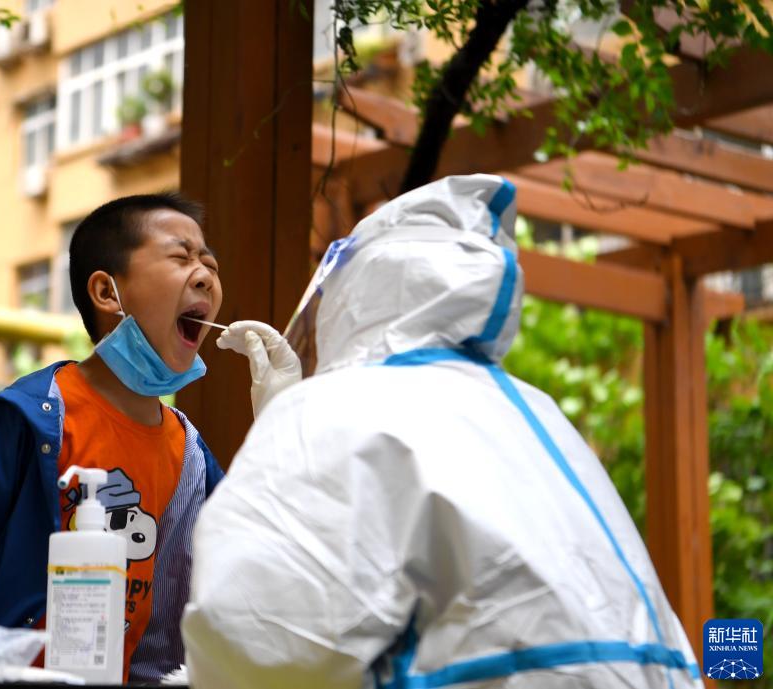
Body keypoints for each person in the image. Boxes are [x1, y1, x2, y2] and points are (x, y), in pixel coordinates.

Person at [182, 175, 702, 688]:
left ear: (354, 292)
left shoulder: (339, 405)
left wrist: (288, 423)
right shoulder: (531, 410)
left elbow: (250, 635)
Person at [0, 193, 225, 683]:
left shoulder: (192, 456)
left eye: (210, 263)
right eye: (180, 257)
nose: (204, 275)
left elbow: (236, 580)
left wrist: (280, 426)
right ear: (107, 293)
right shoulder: (28, 420)